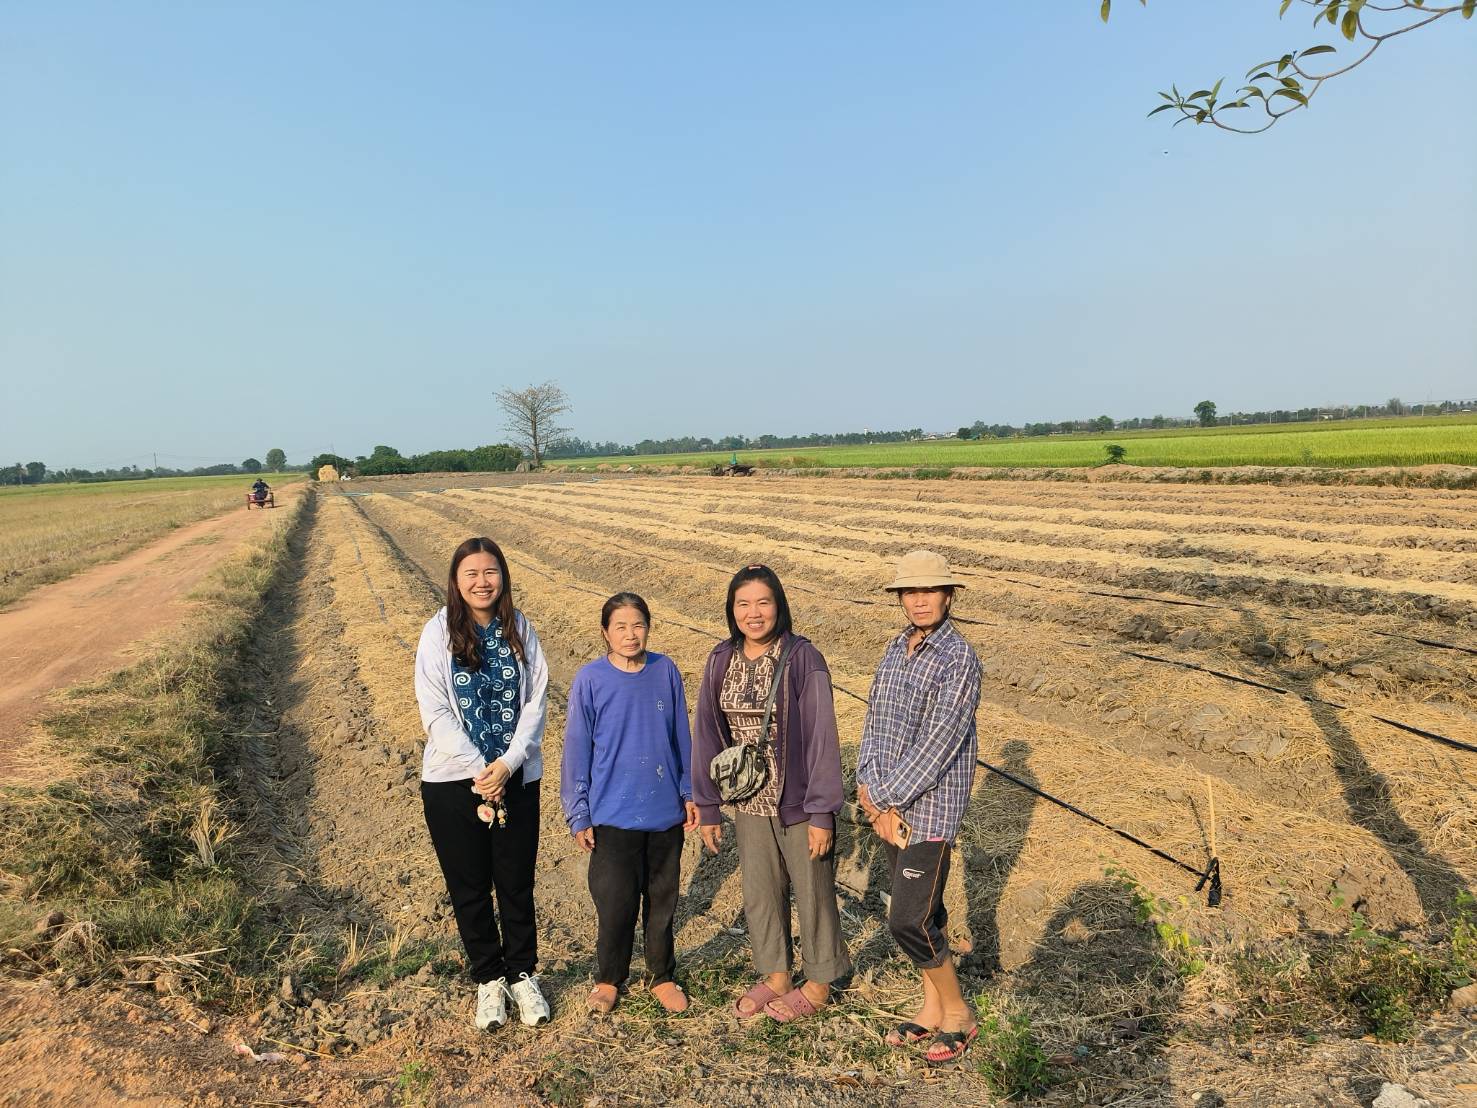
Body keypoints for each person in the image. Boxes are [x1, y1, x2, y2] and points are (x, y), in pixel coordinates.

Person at [693, 564, 851, 1022]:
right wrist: (707, 804)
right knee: (760, 891)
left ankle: (820, 979)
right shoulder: (721, 658)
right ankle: (776, 974)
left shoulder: (802, 657)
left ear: (779, 605)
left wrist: (822, 811)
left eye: (763, 602)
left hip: (798, 801)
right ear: (732, 610)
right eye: (743, 603)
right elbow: (706, 730)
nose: (753, 612)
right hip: (747, 800)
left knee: (813, 889)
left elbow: (823, 735)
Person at [414, 536, 552, 1031]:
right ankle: (489, 979)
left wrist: (509, 763)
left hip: (515, 777)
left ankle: (522, 974)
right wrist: (481, 768)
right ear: (455, 580)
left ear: (503, 577)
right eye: (470, 573)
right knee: (469, 886)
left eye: (490, 571)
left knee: (515, 883)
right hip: (454, 781)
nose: (481, 581)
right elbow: (435, 710)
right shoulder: (437, 634)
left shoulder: (521, 629)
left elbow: (537, 701)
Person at [857, 549, 983, 1066]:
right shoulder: (896, 648)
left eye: (930, 591)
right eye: (911, 591)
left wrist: (886, 798)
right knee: (924, 910)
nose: (920, 600)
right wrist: (867, 790)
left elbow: (941, 741)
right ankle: (931, 1007)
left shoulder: (959, 658)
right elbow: (874, 722)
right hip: (887, 807)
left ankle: (959, 1014)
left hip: (926, 810)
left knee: (908, 919)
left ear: (949, 595)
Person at [561, 593, 698, 1015]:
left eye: (637, 625)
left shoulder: (665, 671)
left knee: (662, 900)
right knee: (616, 902)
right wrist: (578, 810)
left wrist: (690, 791)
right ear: (605, 633)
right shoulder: (591, 679)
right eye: (619, 626)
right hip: (612, 812)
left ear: (648, 628)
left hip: (662, 811)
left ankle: (662, 974)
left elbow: (681, 736)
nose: (629, 634)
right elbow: (577, 748)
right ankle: (608, 978)